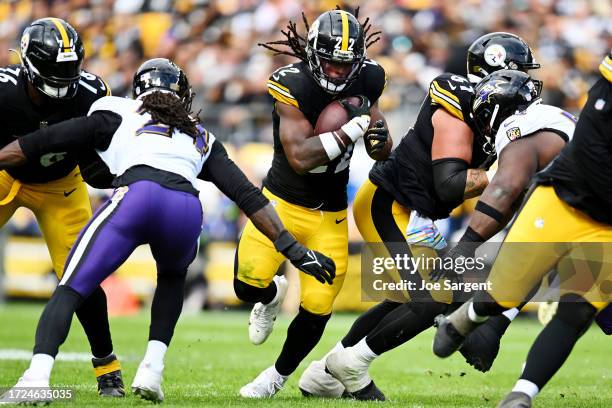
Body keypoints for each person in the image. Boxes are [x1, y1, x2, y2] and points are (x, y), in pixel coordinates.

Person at [0, 58, 335, 404]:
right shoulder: (200, 134)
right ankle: (152, 370)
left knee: (70, 287)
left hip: (138, 196)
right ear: (184, 96)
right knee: (172, 281)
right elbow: (247, 195)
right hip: (186, 209)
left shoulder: (116, 111)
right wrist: (292, 248)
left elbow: (43, 141)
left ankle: (36, 377)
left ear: (138, 92)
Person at [298, 33, 541, 401]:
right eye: (519, 72)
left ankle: (324, 374)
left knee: (408, 298)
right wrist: (502, 176)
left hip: (418, 216)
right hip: (387, 203)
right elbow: (448, 185)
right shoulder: (458, 98)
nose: (526, 83)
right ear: (499, 69)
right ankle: (351, 364)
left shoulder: (499, 117)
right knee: (431, 298)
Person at [432, 50, 612, 408]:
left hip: (604, 222)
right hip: (560, 201)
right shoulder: (532, 123)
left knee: (577, 313)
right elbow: (506, 187)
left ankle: (521, 395)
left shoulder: (534, 122)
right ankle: (470, 318)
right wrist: (466, 246)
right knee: (502, 294)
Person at [236, 8, 391, 398]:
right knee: (246, 286)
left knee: (319, 307)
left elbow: (382, 146)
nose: (337, 73)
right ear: (312, 55)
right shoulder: (292, 85)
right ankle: (270, 296)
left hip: (331, 213)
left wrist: (379, 138)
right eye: (329, 63)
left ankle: (276, 377)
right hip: (281, 204)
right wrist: (351, 130)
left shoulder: (370, 77)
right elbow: (301, 158)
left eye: (345, 65)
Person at [0, 18, 122, 397]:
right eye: (54, 71)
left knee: (81, 275)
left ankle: (108, 368)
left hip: (61, 185)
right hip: (4, 174)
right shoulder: (4, 90)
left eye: (69, 70)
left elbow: (102, 155)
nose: (63, 80)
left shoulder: (92, 93)